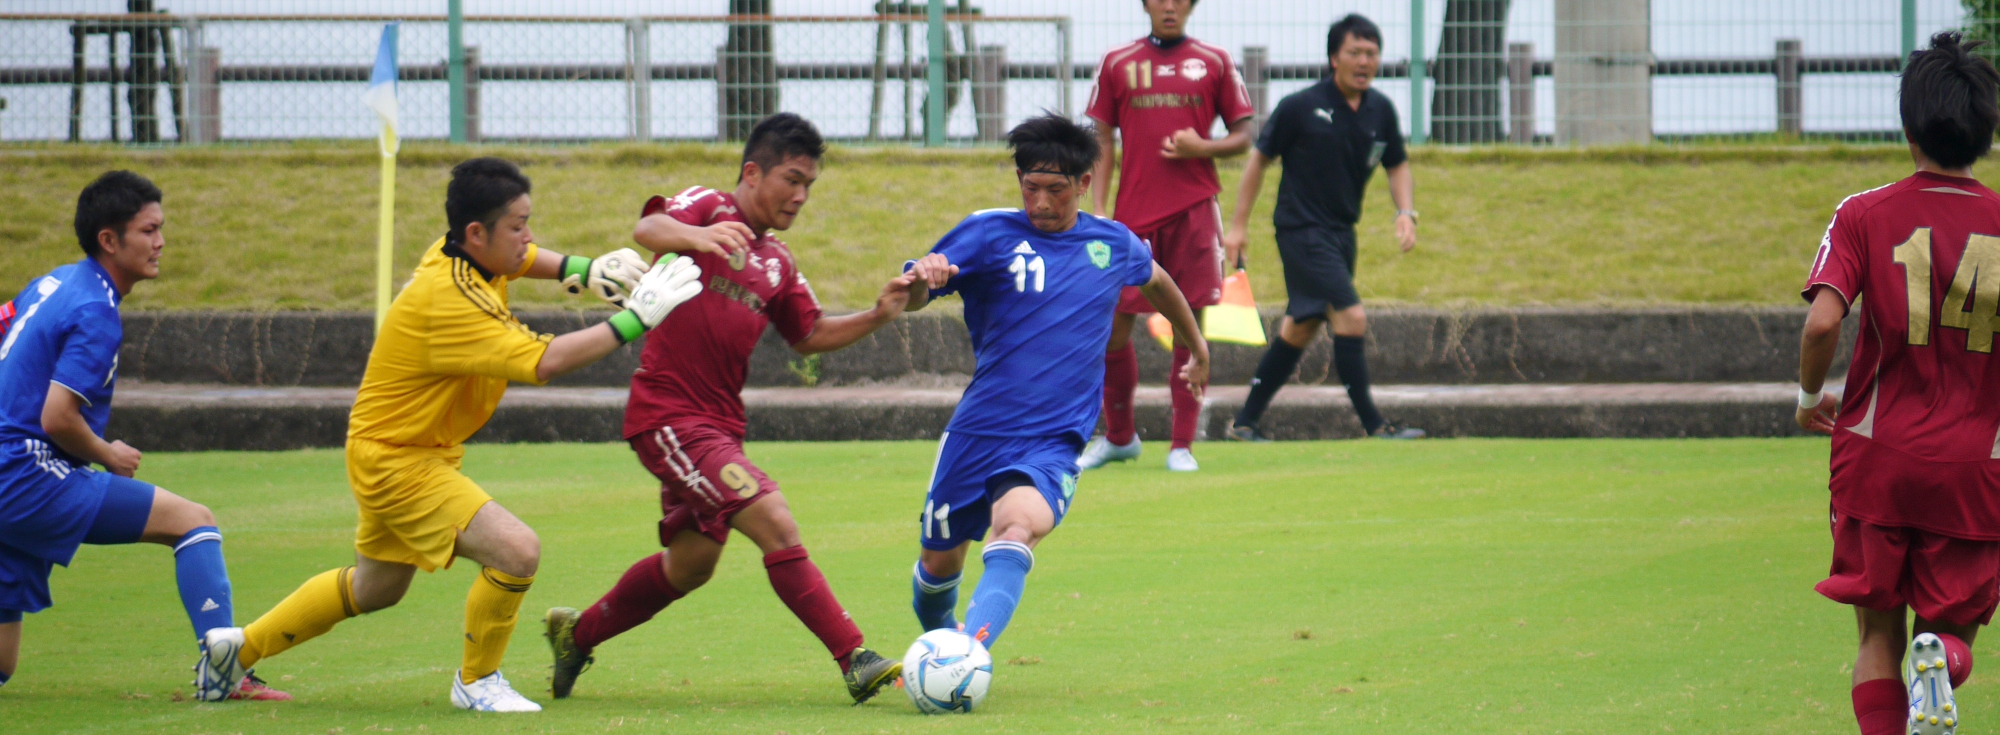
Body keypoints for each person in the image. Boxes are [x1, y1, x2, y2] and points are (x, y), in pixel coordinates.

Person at [229, 157, 702, 713]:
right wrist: (636, 319)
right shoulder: (450, 300)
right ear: (477, 233)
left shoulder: (462, 252)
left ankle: (234, 653)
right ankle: (478, 681)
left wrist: (584, 267)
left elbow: (524, 259)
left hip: (399, 447)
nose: (528, 237)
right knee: (516, 550)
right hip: (398, 460)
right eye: (518, 226)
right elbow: (545, 361)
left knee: (376, 588)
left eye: (528, 222)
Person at [543, 113, 922, 705]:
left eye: (809, 185)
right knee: (774, 518)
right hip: (669, 417)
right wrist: (697, 237)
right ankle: (855, 658)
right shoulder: (708, 207)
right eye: (791, 180)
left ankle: (577, 635)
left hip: (719, 428)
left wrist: (878, 314)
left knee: (691, 565)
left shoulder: (778, 261)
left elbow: (809, 334)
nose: (800, 196)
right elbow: (649, 227)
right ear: (752, 173)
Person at [901, 114, 1209, 657]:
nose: (1041, 203)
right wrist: (922, 279)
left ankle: (970, 655)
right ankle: (944, 637)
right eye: (1031, 188)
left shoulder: (1111, 243)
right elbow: (917, 291)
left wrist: (1197, 346)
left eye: (1056, 190)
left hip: (1053, 438)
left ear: (1084, 183)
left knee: (1016, 531)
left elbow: (1158, 280)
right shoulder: (988, 233)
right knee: (937, 570)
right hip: (978, 430)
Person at [0, 170, 285, 701]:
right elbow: (57, 417)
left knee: (2, 662)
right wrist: (107, 453)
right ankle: (225, 674)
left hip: (10, 472)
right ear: (110, 240)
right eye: (149, 231)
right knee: (193, 521)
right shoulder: (95, 310)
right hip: (24, 474)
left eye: (160, 228)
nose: (161, 242)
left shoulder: (54, 282)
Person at [1797, 31, 2000, 735]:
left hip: (1876, 457)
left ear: (1908, 127)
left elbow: (1822, 324)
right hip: (1975, 464)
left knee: (1876, 634)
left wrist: (1808, 398)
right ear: (1985, 134)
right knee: (1947, 632)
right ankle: (1943, 661)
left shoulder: (1863, 212)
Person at [1223, 13, 1424, 442]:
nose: (1364, 61)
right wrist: (1237, 227)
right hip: (1301, 231)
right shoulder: (1300, 106)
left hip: (1341, 234)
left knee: (1301, 327)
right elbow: (1258, 161)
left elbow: (1397, 164)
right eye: (1355, 52)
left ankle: (1243, 424)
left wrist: (1405, 212)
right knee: (1351, 316)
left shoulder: (1380, 111)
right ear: (1335, 58)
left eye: (1371, 53)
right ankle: (1375, 426)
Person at [1077, 0, 1256, 473]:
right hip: (1133, 218)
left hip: (1194, 211)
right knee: (1113, 327)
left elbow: (1244, 135)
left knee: (1188, 325)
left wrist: (1203, 146)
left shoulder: (1215, 61)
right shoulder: (1117, 62)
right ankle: (1120, 437)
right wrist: (1099, 209)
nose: (1170, 5)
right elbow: (1102, 138)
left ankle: (1181, 446)